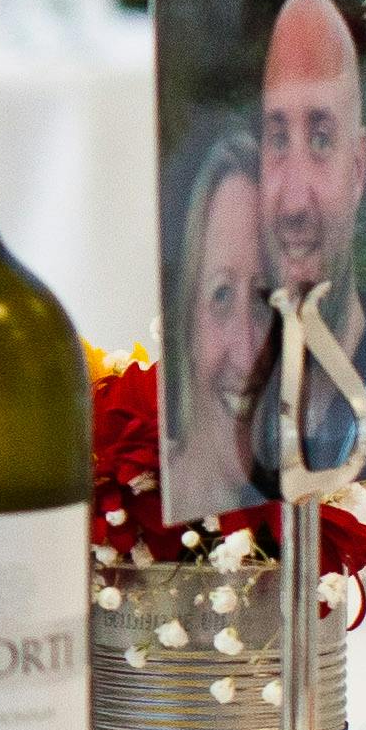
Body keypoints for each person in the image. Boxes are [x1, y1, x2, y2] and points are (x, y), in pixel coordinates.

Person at [247, 0, 366, 483]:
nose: (295, 202)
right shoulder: (231, 424)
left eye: (321, 139)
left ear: (360, 170)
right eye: (278, 139)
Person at [160, 125, 272, 519]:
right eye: (221, 296)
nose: (246, 352)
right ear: (186, 323)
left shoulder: (296, 509)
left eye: (263, 299)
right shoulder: (137, 515)